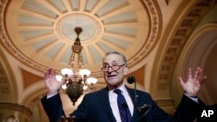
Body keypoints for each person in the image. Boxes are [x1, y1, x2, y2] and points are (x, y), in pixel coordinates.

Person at [41, 51, 207, 122]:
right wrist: (53, 93)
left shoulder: (144, 98)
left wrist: (190, 97)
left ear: (125, 69)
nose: (110, 69)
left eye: (115, 65)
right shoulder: (91, 101)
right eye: (106, 66)